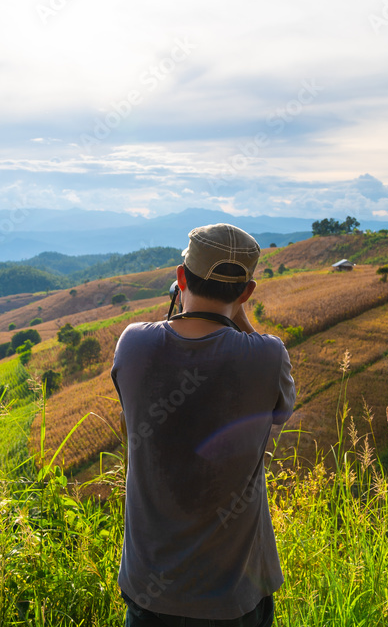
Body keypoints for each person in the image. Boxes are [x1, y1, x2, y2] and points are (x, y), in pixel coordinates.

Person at [111, 223, 296, 626]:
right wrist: (238, 314)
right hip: (234, 598)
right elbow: (283, 410)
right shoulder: (267, 357)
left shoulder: (134, 342)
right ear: (247, 292)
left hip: (149, 590)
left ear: (180, 279)